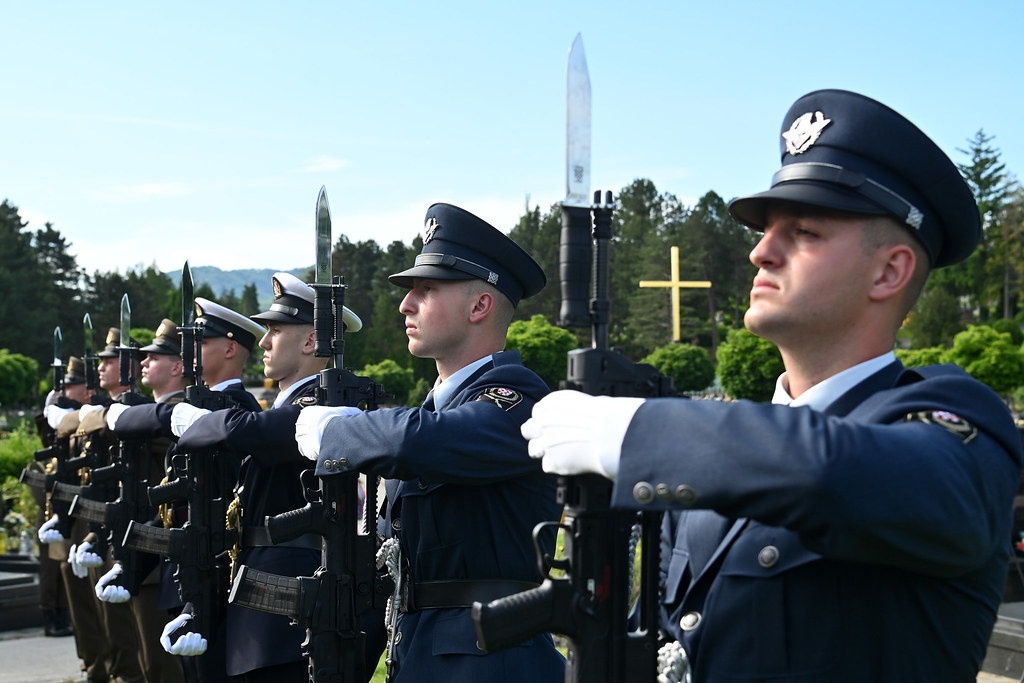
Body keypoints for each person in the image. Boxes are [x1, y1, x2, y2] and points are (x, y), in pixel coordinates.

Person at [521, 89, 1024, 681]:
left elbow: (837, 470)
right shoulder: (710, 467)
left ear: (890, 271)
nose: (761, 251)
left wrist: (637, 433)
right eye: (764, 231)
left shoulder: (957, 421)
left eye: (805, 232)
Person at [293, 203, 567, 682]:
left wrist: (337, 430)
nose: (405, 304)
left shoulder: (516, 399)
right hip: (420, 656)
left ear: (480, 306)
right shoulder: (431, 414)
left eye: (426, 290)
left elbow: (419, 443)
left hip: (492, 663)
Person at [174, 272, 364, 682]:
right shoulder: (286, 405)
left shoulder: (319, 407)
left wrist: (195, 422)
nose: (262, 341)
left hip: (285, 623)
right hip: (257, 612)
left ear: (312, 341)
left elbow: (254, 432)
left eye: (275, 331)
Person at [111, 299, 265, 683]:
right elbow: (175, 506)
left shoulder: (237, 410)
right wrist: (128, 565)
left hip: (216, 584)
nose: (186, 351)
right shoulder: (193, 408)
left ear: (230, 349)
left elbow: (229, 505)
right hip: (183, 577)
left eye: (200, 341)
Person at [98, 319, 188, 683]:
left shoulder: (181, 414)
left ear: (178, 366)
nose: (144, 362)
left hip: (163, 558)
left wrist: (130, 417)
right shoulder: (149, 414)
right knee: (137, 656)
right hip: (135, 548)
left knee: (162, 667)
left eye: (154, 356)